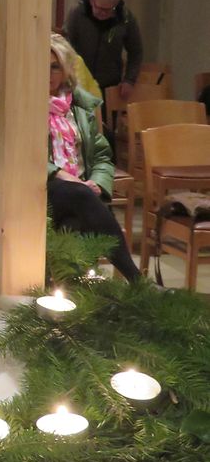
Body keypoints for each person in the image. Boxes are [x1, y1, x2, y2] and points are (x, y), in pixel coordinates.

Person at [47, 33, 140, 282]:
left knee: (74, 220)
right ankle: (137, 280)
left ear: (65, 69)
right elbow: (24, 157)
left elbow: (102, 156)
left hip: (79, 192)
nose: (48, 74)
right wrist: (60, 174)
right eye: (42, 67)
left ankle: (68, 291)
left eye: (55, 67)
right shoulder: (24, 107)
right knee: (80, 196)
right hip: (41, 187)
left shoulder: (79, 108)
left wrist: (97, 183)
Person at [63, 0, 143, 101]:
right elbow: (65, 45)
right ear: (92, 1)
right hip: (79, 83)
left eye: (109, 10)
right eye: (100, 8)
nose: (104, 13)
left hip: (110, 84)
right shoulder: (77, 13)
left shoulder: (125, 17)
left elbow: (136, 51)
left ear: (115, 4)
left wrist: (129, 80)